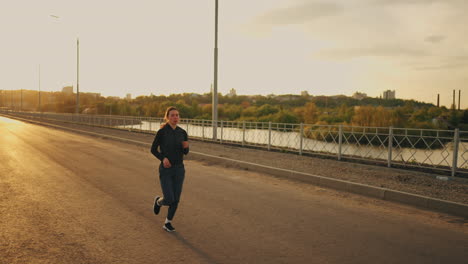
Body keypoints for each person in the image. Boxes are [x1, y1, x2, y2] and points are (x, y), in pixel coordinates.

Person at [151, 106, 189, 232]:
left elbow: (186, 152)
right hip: (166, 170)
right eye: (172, 115)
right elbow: (153, 149)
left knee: (176, 199)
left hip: (179, 169)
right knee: (169, 198)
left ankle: (167, 222)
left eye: (177, 115)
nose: (175, 117)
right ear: (167, 117)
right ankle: (158, 202)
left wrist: (185, 147)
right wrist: (163, 158)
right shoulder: (162, 132)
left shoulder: (182, 132)